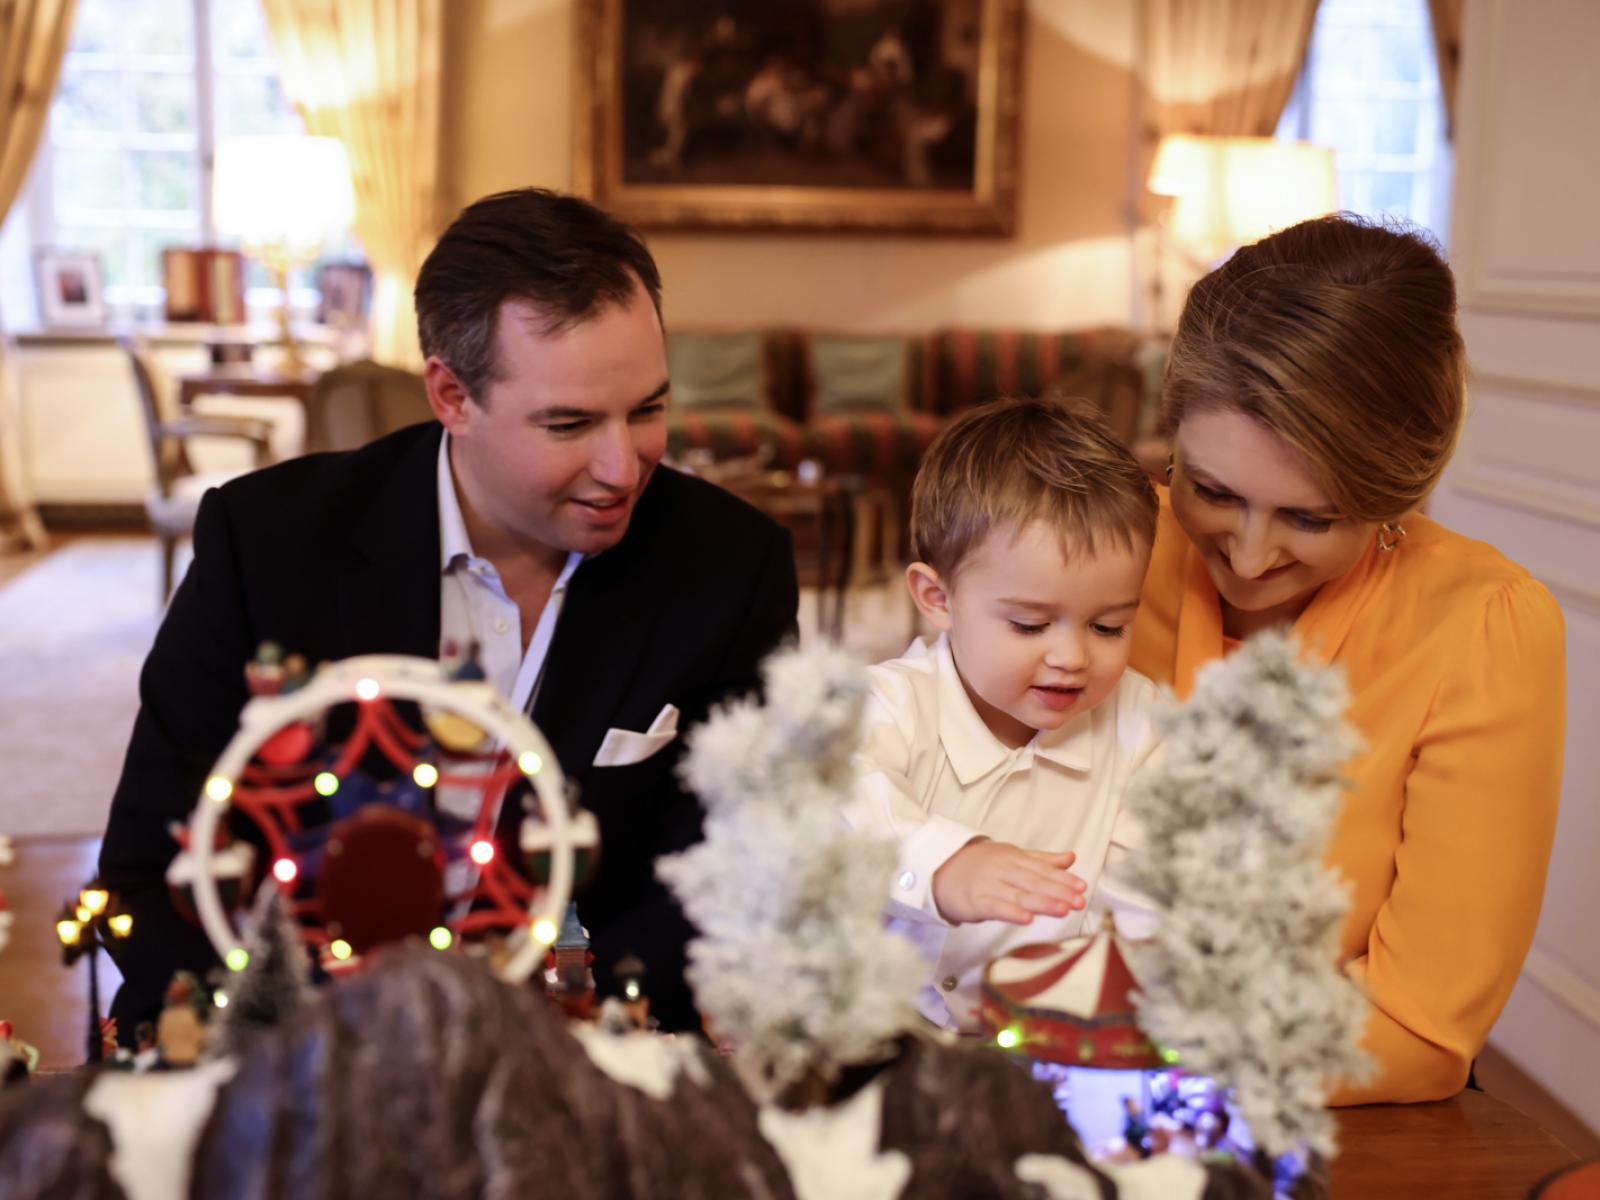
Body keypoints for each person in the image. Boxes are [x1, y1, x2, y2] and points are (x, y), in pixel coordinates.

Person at [98, 188, 799, 1037]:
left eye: (647, 409)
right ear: (451, 395)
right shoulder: (267, 545)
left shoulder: (732, 566)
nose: (624, 466)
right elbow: (152, 863)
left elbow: (733, 870)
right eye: (571, 423)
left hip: (588, 1062)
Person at [1130, 214, 1566, 1104]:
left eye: (1310, 518)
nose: (1248, 558)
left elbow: (1417, 1026)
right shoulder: (1102, 549)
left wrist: (1131, 1059)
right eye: (1209, 490)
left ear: (1392, 494)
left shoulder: (1483, 626)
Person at [845, 397, 1160, 1030]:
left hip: (1048, 1041)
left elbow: (1144, 905)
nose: (1071, 657)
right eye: (1029, 623)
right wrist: (943, 865)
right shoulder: (887, 704)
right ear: (938, 599)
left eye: (1108, 625)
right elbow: (831, 799)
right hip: (874, 1032)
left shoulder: (1145, 728)